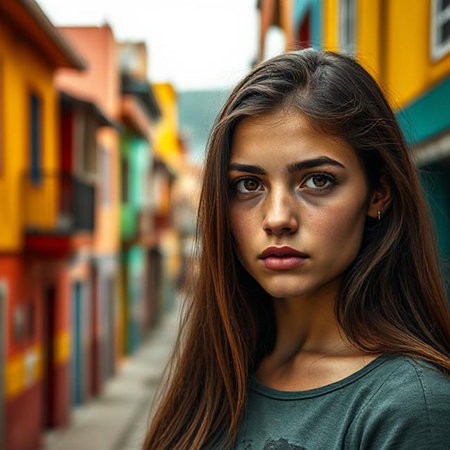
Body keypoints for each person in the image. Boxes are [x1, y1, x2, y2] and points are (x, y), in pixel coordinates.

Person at [143, 50, 450, 450]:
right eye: (249, 185)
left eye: (317, 181)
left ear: (378, 193)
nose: (277, 218)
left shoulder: (409, 408)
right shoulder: (218, 377)